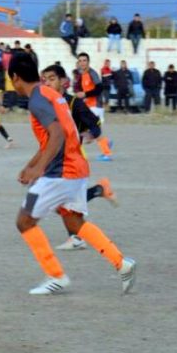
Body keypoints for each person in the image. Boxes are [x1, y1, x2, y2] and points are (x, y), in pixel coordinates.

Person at [7, 52, 136, 296]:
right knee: (74, 222)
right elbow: (53, 138)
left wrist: (37, 168)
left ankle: (56, 275)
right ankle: (122, 263)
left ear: (15, 77)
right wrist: (32, 163)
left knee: (24, 221)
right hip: (76, 168)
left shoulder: (37, 100)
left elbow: (56, 135)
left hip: (60, 173)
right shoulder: (52, 95)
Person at [40, 64, 119, 251]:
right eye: (45, 79)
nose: (48, 83)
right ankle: (99, 191)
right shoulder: (45, 104)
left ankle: (76, 237)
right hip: (55, 158)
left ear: (63, 81)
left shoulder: (74, 103)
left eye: (52, 79)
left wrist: (90, 135)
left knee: (61, 201)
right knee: (60, 202)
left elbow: (94, 122)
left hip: (72, 159)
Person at [74, 52, 113, 161]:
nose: (82, 63)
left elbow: (99, 88)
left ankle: (106, 153)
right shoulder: (82, 75)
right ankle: (106, 144)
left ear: (88, 62)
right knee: (88, 130)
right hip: (89, 106)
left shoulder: (92, 73)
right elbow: (86, 90)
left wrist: (85, 94)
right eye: (80, 61)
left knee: (89, 131)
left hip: (95, 106)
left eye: (84, 60)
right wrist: (81, 95)